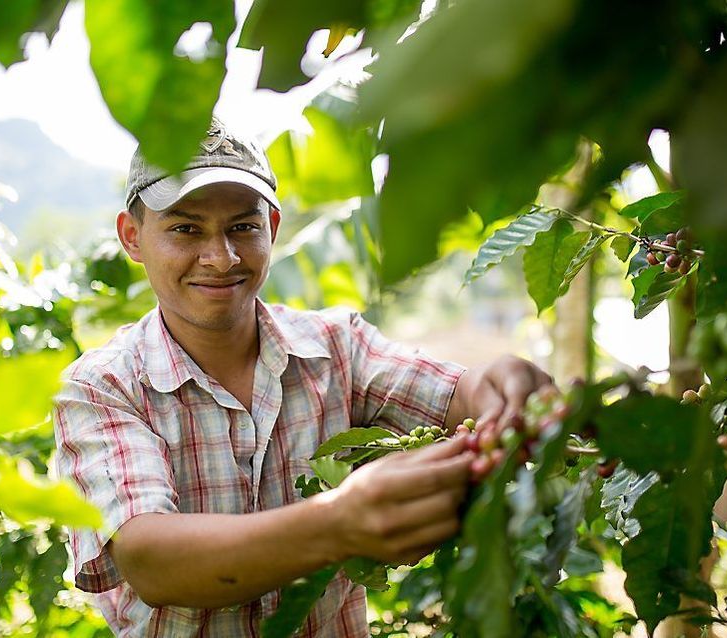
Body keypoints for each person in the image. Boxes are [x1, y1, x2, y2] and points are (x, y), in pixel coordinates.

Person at [52, 117, 552, 636]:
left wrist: (499, 384)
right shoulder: (103, 386)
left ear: (270, 229)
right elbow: (150, 559)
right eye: (186, 229)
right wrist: (338, 522)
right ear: (132, 237)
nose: (220, 258)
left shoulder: (337, 348)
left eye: (242, 227)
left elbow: (455, 394)